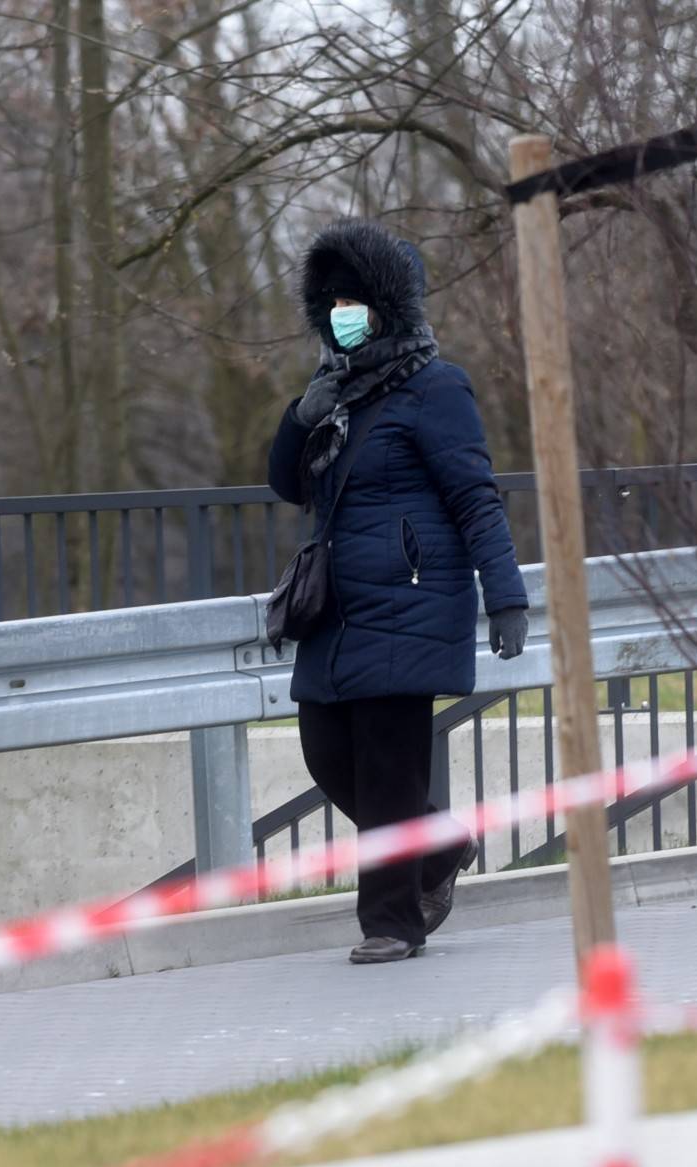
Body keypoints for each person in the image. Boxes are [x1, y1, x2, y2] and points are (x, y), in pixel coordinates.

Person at [268, 219, 530, 965]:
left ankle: (392, 921)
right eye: (333, 304)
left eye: (357, 302)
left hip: (411, 601)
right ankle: (441, 845)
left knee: (388, 771)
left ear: (387, 309)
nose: (344, 315)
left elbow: (477, 497)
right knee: (326, 755)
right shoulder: (334, 393)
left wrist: (504, 596)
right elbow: (288, 485)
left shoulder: (435, 388)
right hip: (336, 611)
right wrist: (302, 416)